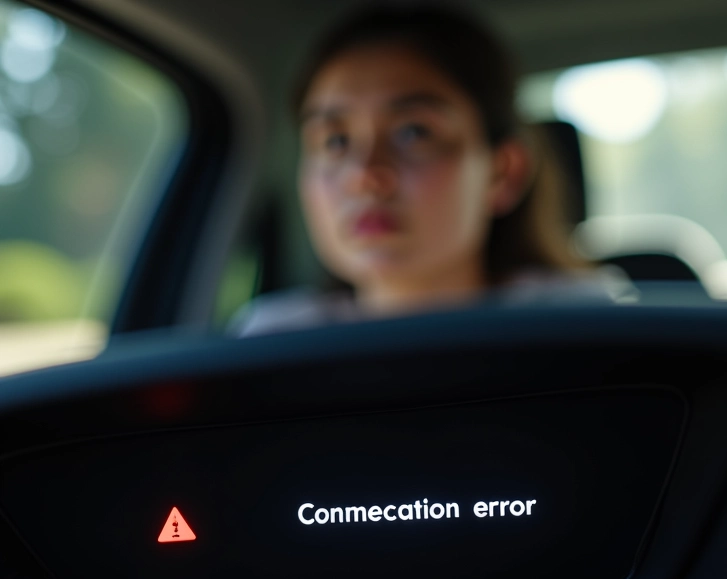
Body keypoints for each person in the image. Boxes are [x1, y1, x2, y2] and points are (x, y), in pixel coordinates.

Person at [234, 3, 623, 337]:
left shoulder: (583, 332)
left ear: (502, 173)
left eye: (413, 132)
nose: (365, 175)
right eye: (335, 141)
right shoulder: (268, 345)